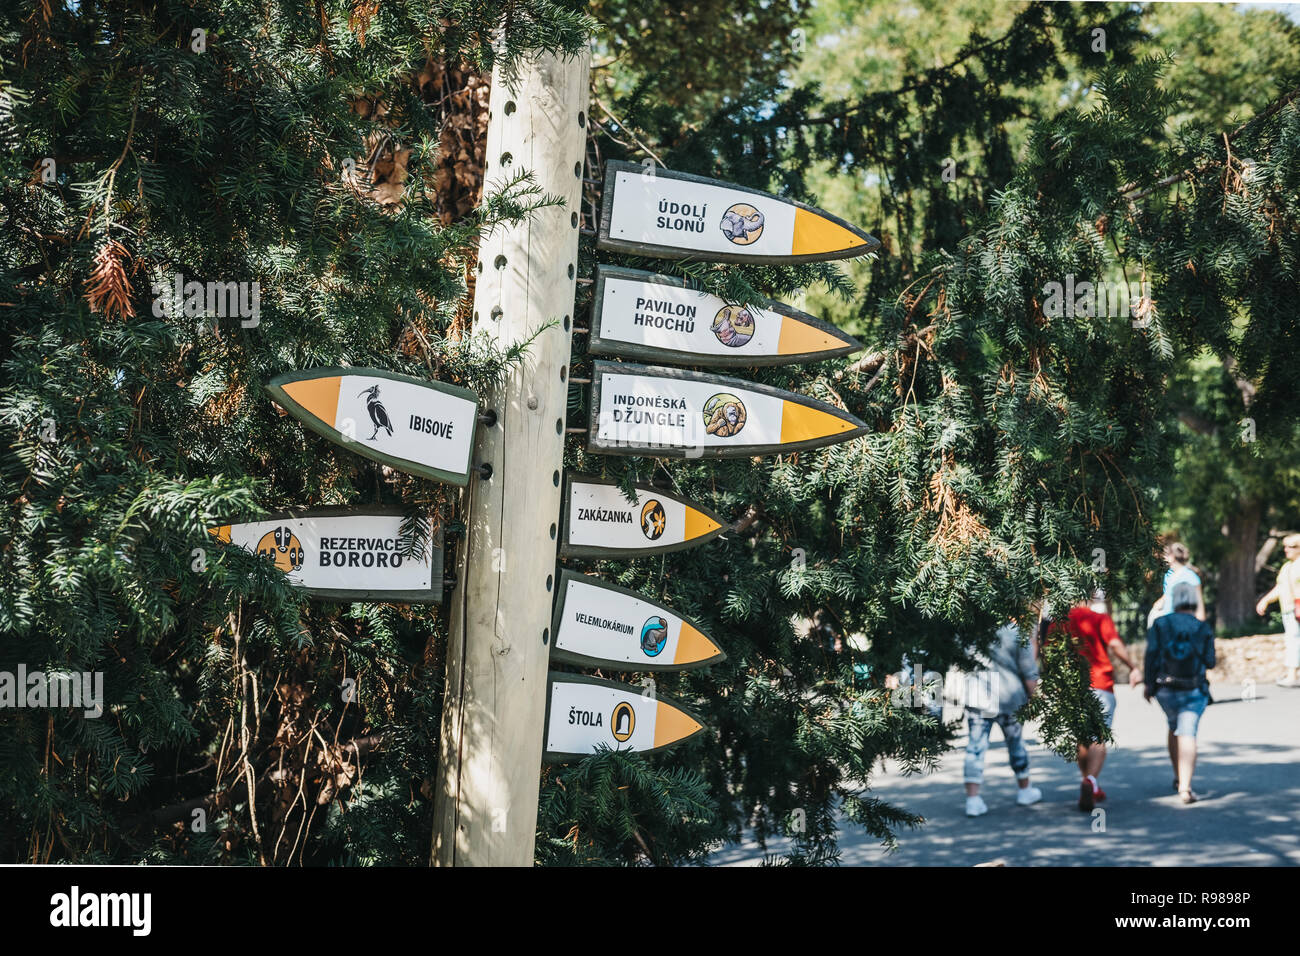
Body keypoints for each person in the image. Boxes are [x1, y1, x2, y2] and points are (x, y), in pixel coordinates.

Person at [1055, 593, 1142, 812]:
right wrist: (1133, 667)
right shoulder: (1099, 619)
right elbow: (1114, 644)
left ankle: (1090, 783)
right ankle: (1091, 780)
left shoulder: (1059, 621)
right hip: (1099, 683)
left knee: (1083, 737)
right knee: (1099, 736)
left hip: (1072, 686)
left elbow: (1050, 653)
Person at [1144, 581, 1216, 804]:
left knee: (1174, 726)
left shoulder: (1160, 623)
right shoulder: (1202, 627)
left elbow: (1151, 656)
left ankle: (1178, 776)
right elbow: (1210, 661)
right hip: (1193, 687)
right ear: (1193, 602)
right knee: (1188, 732)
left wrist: (1148, 684)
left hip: (1165, 689)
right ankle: (1185, 788)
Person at [961, 621, 1043, 817]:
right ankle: (1025, 789)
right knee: (1015, 742)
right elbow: (1029, 671)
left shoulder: (970, 630)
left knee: (975, 746)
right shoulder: (1015, 633)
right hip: (1009, 697)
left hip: (979, 697)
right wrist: (1034, 698)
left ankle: (973, 798)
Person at [1255, 533, 1300, 688]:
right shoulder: (1287, 567)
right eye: (1285, 547)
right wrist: (1266, 600)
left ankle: (1292, 675)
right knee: (1292, 640)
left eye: (1292, 546)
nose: (1287, 550)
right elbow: (1280, 587)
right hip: (1289, 610)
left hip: (1297, 608)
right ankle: (1292, 672)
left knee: (1293, 640)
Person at [1148, 542, 1206, 625]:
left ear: (1172, 557)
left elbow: (1199, 611)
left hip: (1181, 625)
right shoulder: (1170, 575)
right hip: (1170, 623)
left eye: (1166, 555)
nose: (1163, 558)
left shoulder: (1188, 577)